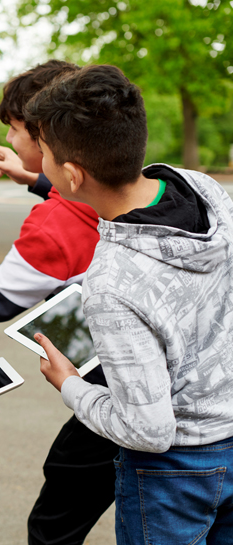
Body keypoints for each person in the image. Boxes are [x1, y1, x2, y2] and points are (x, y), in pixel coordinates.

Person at [25, 64, 233, 545]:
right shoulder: (201, 189)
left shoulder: (110, 284)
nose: (42, 165)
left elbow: (148, 431)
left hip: (174, 473)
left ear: (72, 175)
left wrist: (71, 385)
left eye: (46, 156)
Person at [0, 60, 118, 545]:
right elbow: (81, 196)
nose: (9, 142)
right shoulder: (119, 180)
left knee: (54, 521)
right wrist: (34, 180)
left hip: (115, 389)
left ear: (44, 133)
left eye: (14, 130)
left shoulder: (50, 225)